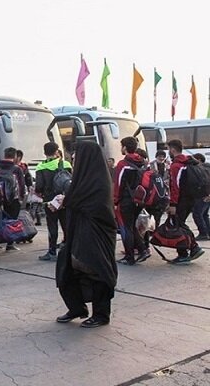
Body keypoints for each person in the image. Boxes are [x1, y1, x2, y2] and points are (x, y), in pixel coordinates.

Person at [55, 141, 118, 328]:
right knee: (66, 268)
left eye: (77, 156)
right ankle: (77, 308)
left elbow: (88, 203)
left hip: (96, 232)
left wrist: (67, 200)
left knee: (97, 271)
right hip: (78, 231)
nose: (74, 159)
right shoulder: (83, 178)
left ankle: (101, 314)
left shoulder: (98, 180)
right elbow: (75, 199)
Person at [167, 140, 205, 263]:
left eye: (169, 149)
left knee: (177, 225)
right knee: (181, 224)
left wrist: (172, 204)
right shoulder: (190, 162)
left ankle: (185, 252)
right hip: (191, 198)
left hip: (181, 200)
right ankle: (192, 248)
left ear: (173, 149)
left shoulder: (176, 165)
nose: (169, 152)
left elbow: (175, 186)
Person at [113, 137, 148, 265]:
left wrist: (115, 201)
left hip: (125, 200)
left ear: (125, 148)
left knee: (125, 228)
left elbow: (118, 184)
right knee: (131, 226)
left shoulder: (123, 164)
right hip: (139, 199)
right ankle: (143, 250)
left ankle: (129, 256)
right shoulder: (143, 162)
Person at [35, 142, 71, 261]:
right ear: (57, 151)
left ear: (45, 153)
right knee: (66, 225)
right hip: (64, 200)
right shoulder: (65, 164)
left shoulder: (41, 167)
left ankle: (52, 252)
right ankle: (69, 248)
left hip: (50, 202)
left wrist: (40, 193)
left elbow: (39, 186)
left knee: (52, 225)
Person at [0, 147, 26, 251]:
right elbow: (22, 185)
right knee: (12, 220)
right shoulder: (17, 169)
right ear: (14, 156)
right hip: (13, 198)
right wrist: (22, 197)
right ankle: (10, 244)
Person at [149, 150, 170, 226]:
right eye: (160, 156)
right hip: (153, 190)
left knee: (159, 212)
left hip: (164, 190)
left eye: (163, 157)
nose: (161, 158)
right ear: (156, 157)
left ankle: (156, 226)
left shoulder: (167, 166)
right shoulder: (151, 165)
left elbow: (169, 177)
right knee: (152, 211)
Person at [192, 153, 210, 241]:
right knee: (204, 214)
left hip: (203, 195)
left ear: (198, 160)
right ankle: (208, 232)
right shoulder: (207, 167)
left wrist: (207, 194)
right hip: (207, 195)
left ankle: (203, 233)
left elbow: (205, 182)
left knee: (197, 214)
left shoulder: (201, 169)